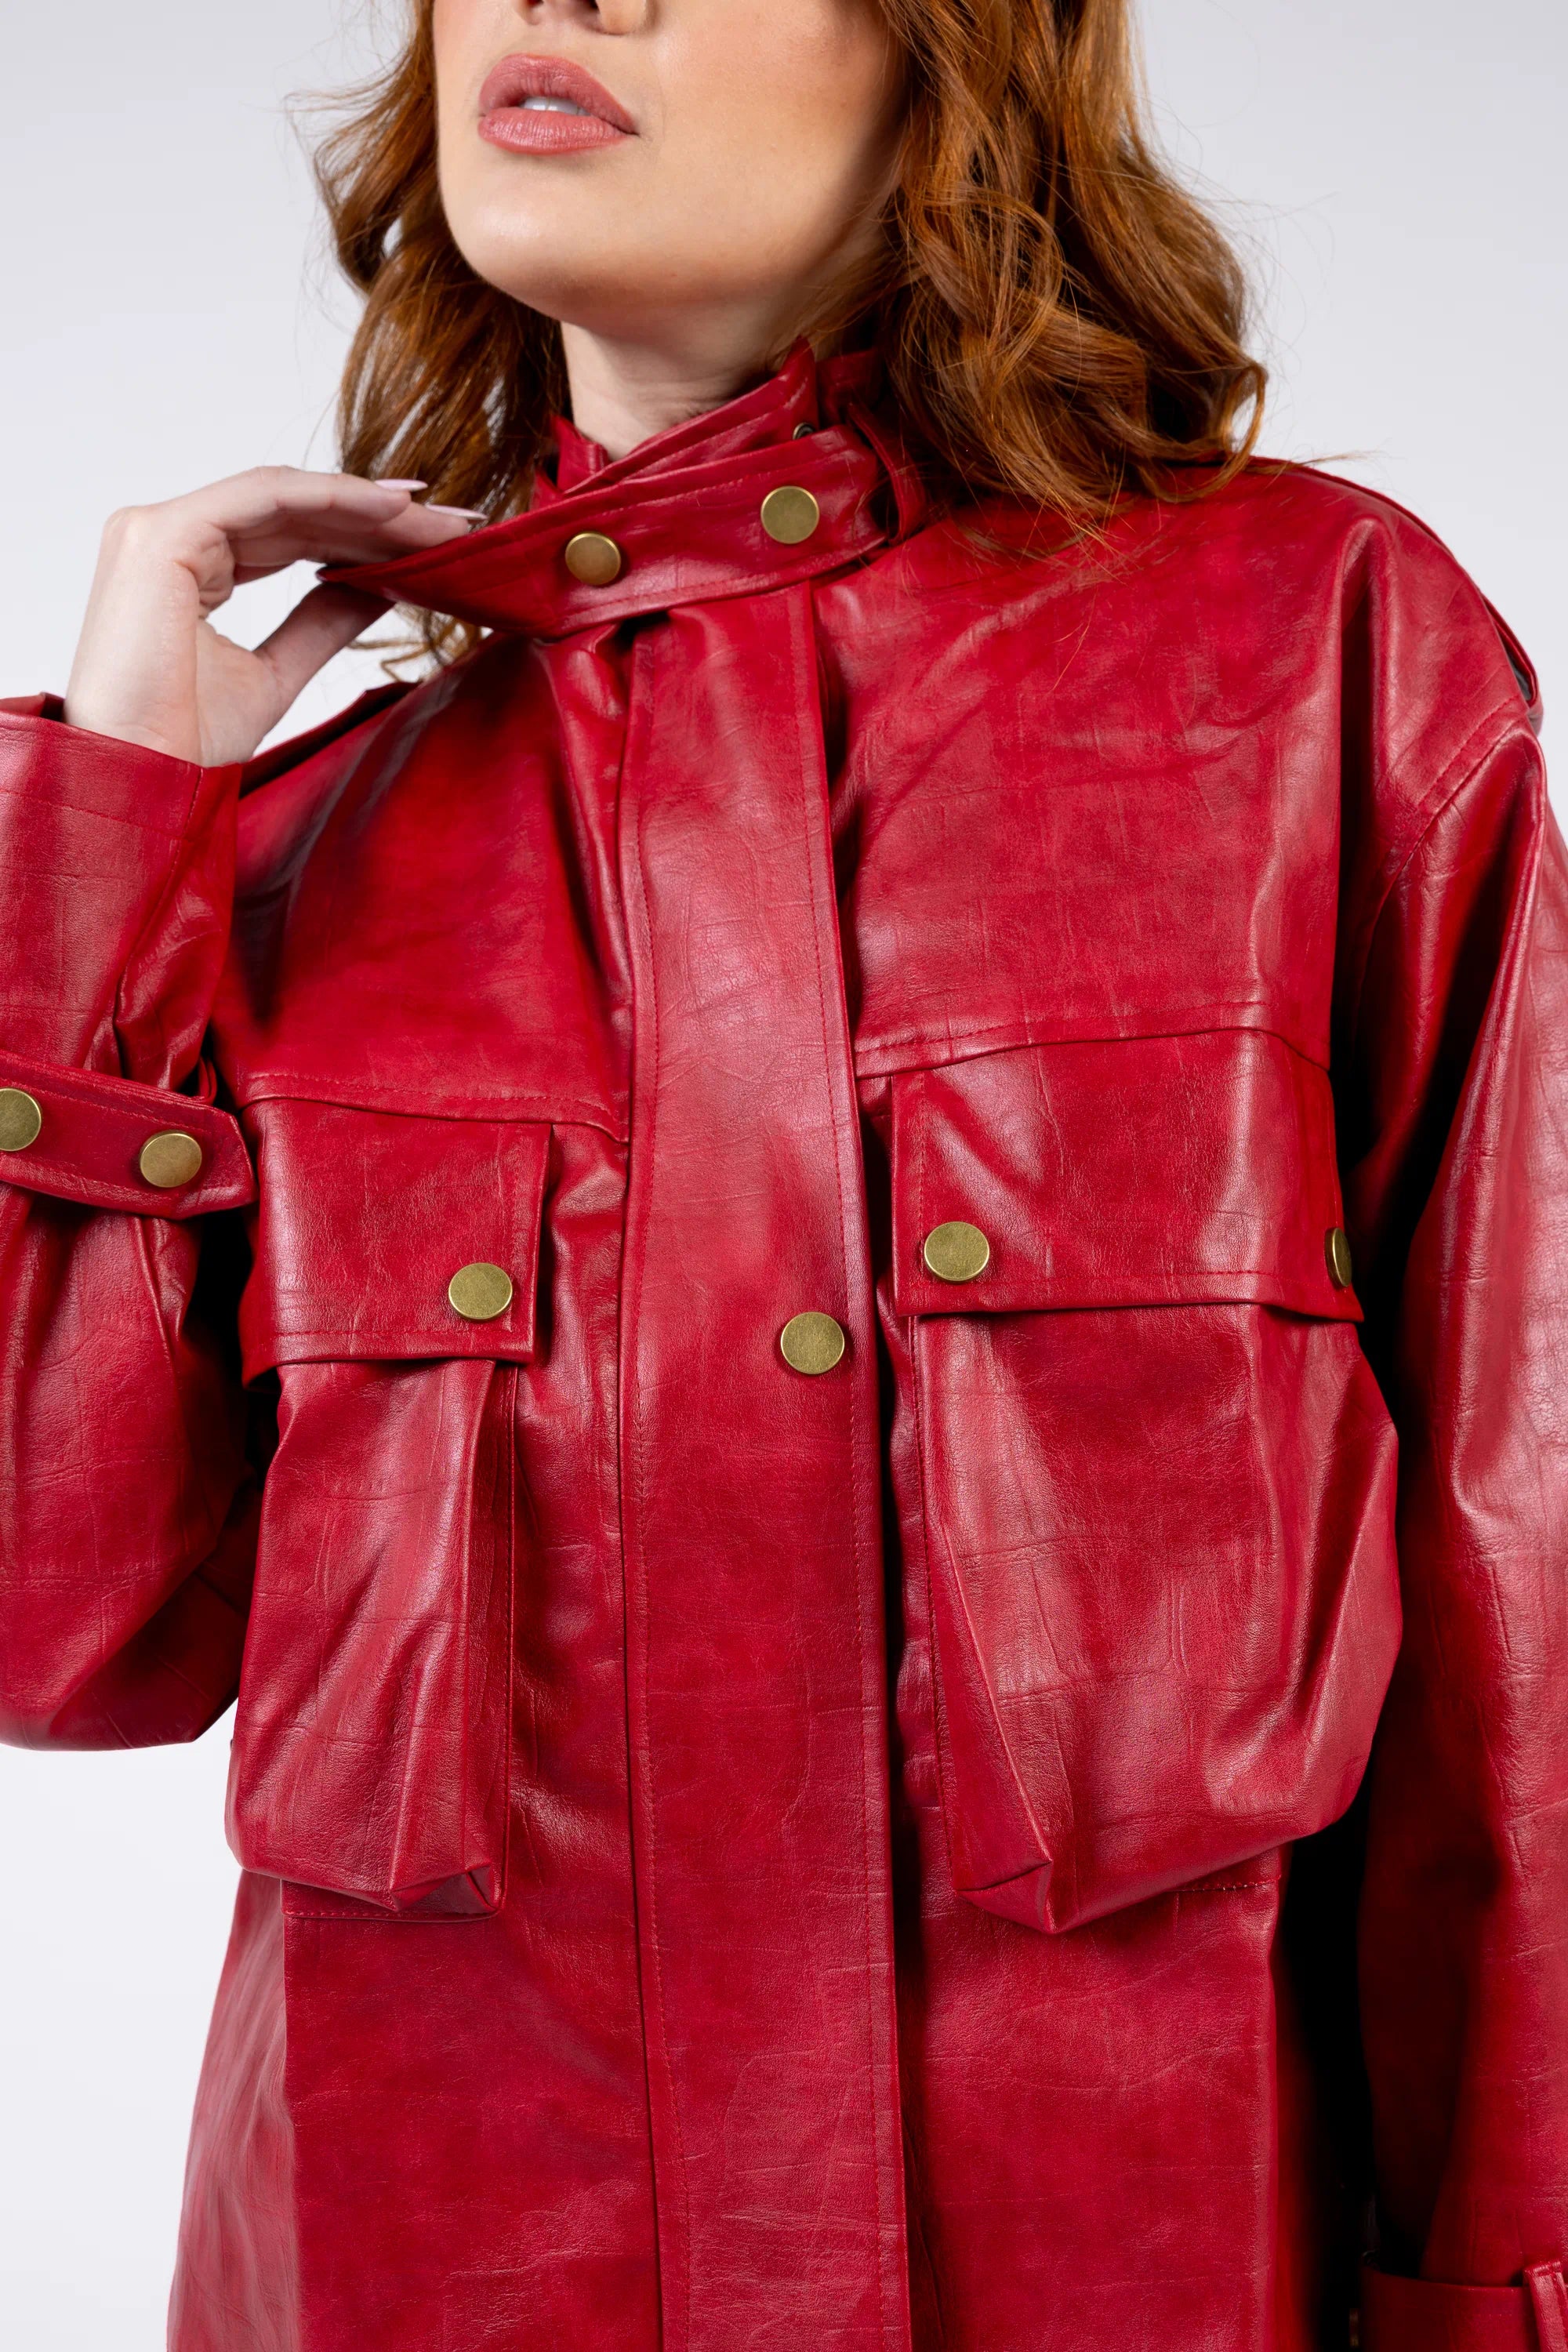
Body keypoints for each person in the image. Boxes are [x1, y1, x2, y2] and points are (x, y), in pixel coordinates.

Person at [2, 2, 1563, 2347]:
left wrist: (1484, 2292)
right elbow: (70, 1632)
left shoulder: (1306, 663)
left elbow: (1519, 1589)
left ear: (971, 57)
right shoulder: (303, 845)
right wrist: (106, 845)